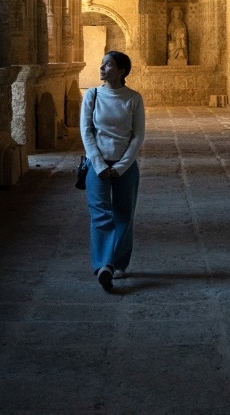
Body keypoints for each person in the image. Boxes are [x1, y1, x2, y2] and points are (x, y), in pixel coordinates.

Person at [81, 50, 146, 291]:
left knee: (124, 215)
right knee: (100, 215)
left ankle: (118, 263)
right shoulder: (92, 95)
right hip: (97, 165)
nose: (101, 68)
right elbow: (87, 132)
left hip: (125, 166)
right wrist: (98, 164)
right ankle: (103, 266)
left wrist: (120, 167)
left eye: (108, 65)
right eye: (101, 64)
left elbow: (138, 136)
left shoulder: (133, 98)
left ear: (122, 71)